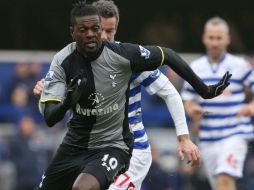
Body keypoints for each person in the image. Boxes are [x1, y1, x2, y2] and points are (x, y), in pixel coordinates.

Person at [37, 2, 231, 190]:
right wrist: (52, 95)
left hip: (130, 148)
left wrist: (184, 137)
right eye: (99, 29)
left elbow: (170, 92)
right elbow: (53, 109)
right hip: (82, 146)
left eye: (108, 31)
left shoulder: (127, 58)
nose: (102, 36)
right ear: (74, 31)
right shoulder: (67, 60)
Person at [181, 17, 254, 190]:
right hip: (207, 137)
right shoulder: (196, 67)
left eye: (219, 38)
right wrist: (192, 110)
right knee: (220, 185)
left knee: (224, 180)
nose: (215, 42)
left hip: (234, 133)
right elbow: (187, 100)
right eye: (211, 38)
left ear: (227, 39)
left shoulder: (240, 65)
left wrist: (250, 108)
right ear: (204, 38)